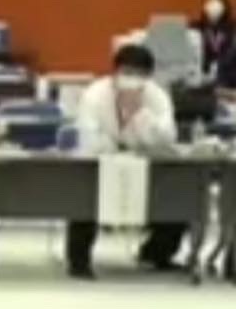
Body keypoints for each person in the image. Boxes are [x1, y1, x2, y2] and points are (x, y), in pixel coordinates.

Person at [66, 43, 180, 280]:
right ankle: (78, 260)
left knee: (178, 193)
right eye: (127, 72)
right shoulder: (95, 94)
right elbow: (89, 137)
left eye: (139, 74)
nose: (132, 79)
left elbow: (166, 138)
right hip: (100, 163)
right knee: (84, 194)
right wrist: (115, 149)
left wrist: (139, 114)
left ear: (148, 77)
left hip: (146, 163)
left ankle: (156, 253)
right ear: (115, 72)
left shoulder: (157, 96)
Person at [195, 0, 236, 78]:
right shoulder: (203, 26)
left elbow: (231, 53)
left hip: (227, 73)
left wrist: (219, 66)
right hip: (207, 71)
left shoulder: (231, 27)